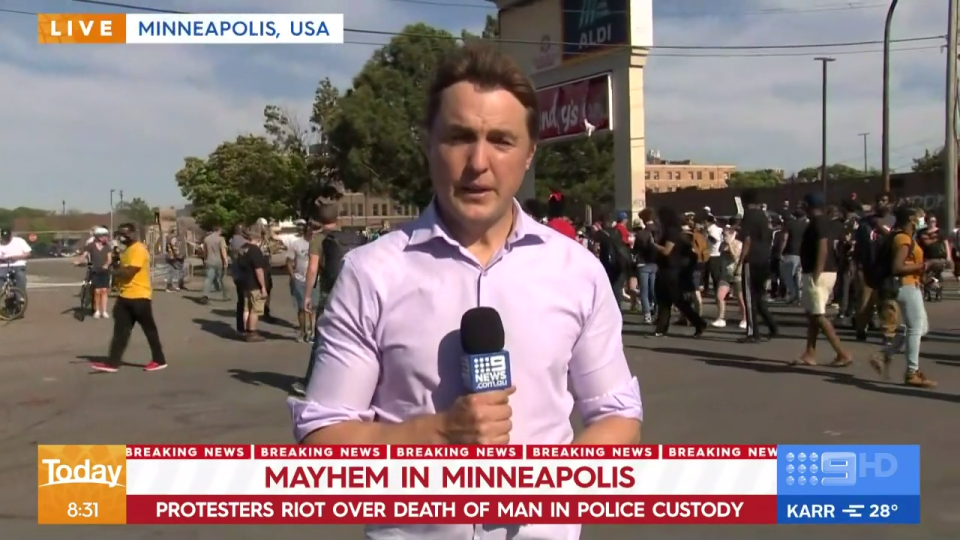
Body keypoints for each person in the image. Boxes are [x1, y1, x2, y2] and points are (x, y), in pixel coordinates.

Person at [289, 43, 641, 540]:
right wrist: (433, 435)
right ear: (428, 145)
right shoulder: (370, 274)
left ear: (528, 152)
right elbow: (323, 438)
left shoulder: (577, 273)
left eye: (501, 140)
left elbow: (617, 415)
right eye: (459, 137)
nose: (479, 162)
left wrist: (556, 480)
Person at [869, 206, 936, 387]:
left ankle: (885, 355)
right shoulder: (902, 239)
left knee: (920, 327)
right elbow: (897, 268)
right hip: (905, 285)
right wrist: (924, 266)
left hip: (909, 284)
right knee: (915, 328)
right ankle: (912, 372)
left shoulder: (903, 237)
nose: (922, 219)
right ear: (911, 219)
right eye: (920, 216)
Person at [89, 223, 166, 373]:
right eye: (120, 235)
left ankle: (159, 360)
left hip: (139, 297)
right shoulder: (128, 250)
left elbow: (129, 272)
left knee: (150, 330)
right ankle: (113, 362)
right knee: (120, 331)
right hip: (125, 296)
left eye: (124, 235)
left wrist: (109, 271)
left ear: (132, 234)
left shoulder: (138, 249)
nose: (121, 238)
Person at [792, 193, 851, 367]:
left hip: (818, 273)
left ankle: (842, 353)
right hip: (821, 272)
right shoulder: (823, 222)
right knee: (811, 315)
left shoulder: (819, 223)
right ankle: (809, 353)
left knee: (818, 315)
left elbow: (823, 247)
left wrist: (816, 273)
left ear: (809, 206)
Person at [652, 207, 706, 337]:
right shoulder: (672, 231)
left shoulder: (672, 232)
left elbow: (667, 250)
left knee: (676, 300)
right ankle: (661, 328)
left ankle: (698, 322)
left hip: (671, 271)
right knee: (664, 300)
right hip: (667, 270)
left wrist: (653, 244)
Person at [737, 189, 778, 343]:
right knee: (759, 297)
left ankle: (753, 333)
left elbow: (747, 240)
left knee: (750, 299)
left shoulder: (749, 216)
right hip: (764, 259)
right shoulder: (764, 216)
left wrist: (741, 261)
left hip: (752, 260)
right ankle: (772, 327)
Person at [286, 222, 320, 343]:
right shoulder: (296, 243)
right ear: (305, 231)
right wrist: (293, 277)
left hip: (315, 280)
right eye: (311, 230)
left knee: (313, 308)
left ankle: (312, 332)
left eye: (315, 230)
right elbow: (289, 261)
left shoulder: (318, 243)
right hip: (299, 279)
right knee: (301, 308)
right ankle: (302, 331)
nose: (313, 233)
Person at [236, 230, 270, 342]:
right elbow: (258, 270)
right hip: (254, 283)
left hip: (245, 282)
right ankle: (252, 332)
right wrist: (263, 287)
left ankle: (246, 330)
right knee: (255, 309)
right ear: (258, 238)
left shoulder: (243, 248)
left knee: (247, 308)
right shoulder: (255, 250)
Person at [712, 224, 747, 329]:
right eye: (723, 235)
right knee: (719, 296)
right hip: (725, 275)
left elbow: (735, 256)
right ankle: (721, 318)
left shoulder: (739, 244)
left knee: (740, 298)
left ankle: (745, 319)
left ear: (732, 234)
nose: (724, 237)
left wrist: (730, 244)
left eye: (726, 235)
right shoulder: (722, 245)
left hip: (737, 274)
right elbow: (720, 253)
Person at [74, 226, 113, 318]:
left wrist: (106, 265)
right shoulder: (91, 246)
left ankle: (104, 310)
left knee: (104, 290)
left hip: (104, 271)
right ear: (98, 236)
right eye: (104, 236)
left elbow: (109, 259)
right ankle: (97, 310)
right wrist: (78, 261)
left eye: (106, 236)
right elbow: (85, 254)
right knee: (97, 291)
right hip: (95, 271)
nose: (106, 238)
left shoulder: (107, 247)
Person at [779, 210, 806, 303]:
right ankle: (799, 296)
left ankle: (792, 294)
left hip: (790, 252)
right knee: (798, 276)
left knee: (788, 276)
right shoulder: (806, 226)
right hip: (802, 253)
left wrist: (780, 251)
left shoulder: (790, 225)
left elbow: (784, 238)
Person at [200, 224, 229, 304]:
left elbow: (205, 251)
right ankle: (225, 295)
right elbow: (223, 251)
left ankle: (205, 295)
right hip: (218, 262)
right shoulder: (221, 239)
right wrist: (226, 261)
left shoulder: (206, 239)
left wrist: (205, 259)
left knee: (208, 278)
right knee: (221, 278)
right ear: (219, 230)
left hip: (209, 261)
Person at [228, 224, 248, 333]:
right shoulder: (242, 242)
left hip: (236, 272)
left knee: (241, 300)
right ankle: (245, 327)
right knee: (244, 301)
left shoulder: (232, 240)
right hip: (243, 274)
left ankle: (241, 326)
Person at [0, 226, 32, 294]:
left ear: (11, 235)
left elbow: (28, 253)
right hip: (3, 266)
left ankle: (20, 297)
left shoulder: (19, 241)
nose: (6, 239)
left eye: (8, 237)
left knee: (20, 277)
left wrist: (17, 257)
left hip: (18, 265)